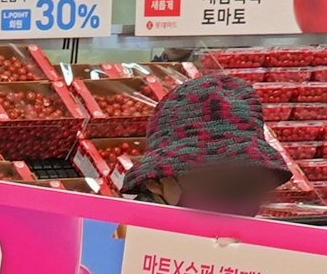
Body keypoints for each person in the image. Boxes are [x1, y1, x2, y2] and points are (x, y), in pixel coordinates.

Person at [123, 72, 294, 215]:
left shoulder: (259, 250)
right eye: (211, 184)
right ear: (154, 182)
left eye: (244, 185)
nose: (231, 202)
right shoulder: (122, 243)